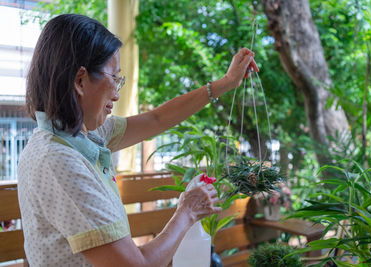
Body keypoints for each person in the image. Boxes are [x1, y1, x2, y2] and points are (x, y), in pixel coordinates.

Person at [18, 14, 258, 267]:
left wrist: (226, 83)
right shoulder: (58, 161)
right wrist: (186, 212)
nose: (117, 94)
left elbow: (156, 119)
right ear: (80, 80)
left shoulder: (82, 134)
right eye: (114, 78)